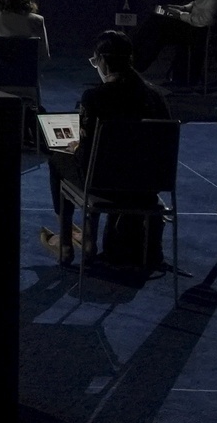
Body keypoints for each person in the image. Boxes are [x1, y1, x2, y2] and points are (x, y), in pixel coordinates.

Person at [39, 30, 173, 262]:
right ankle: (88, 237)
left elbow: (88, 155)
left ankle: (68, 242)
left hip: (106, 185)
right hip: (148, 185)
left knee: (57, 158)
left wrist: (73, 148)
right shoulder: (156, 97)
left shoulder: (95, 97)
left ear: (102, 61)